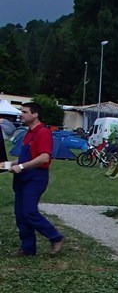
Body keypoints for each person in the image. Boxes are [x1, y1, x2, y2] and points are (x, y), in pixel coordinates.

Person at [9, 101, 64, 257]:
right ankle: (28, 248)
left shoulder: (43, 132)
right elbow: (24, 157)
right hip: (22, 178)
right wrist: (7, 164)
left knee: (29, 212)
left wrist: (21, 167)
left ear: (35, 114)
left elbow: (43, 158)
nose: (22, 114)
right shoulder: (28, 133)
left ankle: (55, 237)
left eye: (25, 112)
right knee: (20, 214)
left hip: (35, 177)